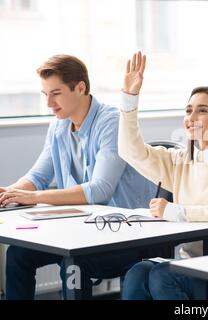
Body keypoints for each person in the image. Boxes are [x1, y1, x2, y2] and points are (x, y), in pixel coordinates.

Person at [0, 54, 161, 299]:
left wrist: (31, 196)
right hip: (82, 232)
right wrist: (9, 194)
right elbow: (38, 176)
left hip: (126, 234)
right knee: (17, 255)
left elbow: (100, 189)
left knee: (73, 263)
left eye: (56, 93)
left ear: (81, 87)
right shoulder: (58, 125)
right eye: (45, 95)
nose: (49, 104)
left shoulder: (111, 122)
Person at [118, 52, 208, 300]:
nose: (191, 118)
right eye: (188, 110)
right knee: (138, 272)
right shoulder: (179, 161)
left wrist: (179, 212)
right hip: (191, 264)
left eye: (202, 111)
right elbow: (130, 151)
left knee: (162, 275)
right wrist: (130, 99)